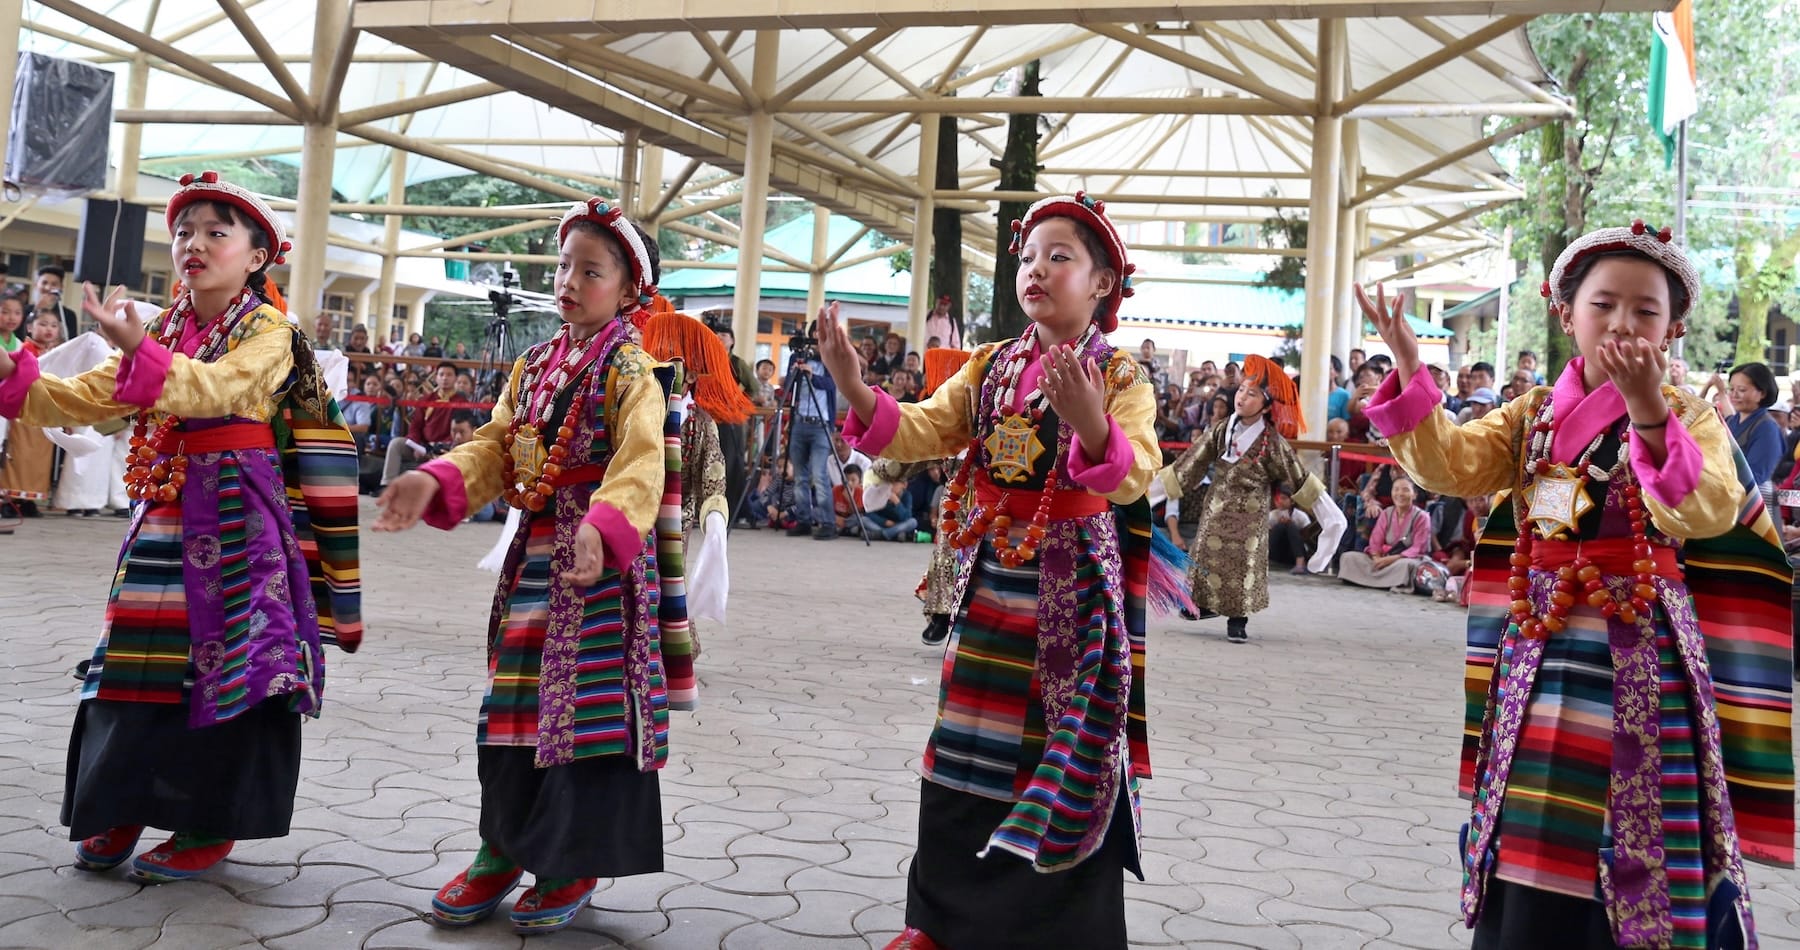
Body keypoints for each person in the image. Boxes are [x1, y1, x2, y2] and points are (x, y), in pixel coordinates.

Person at [1357, 220, 1794, 948]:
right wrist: (1410, 372)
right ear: (1566, 315)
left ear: (1674, 328)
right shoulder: (1532, 415)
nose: (1623, 323)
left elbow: (1707, 508)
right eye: (1604, 304)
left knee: (1642, 834)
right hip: (1544, 650)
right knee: (1532, 845)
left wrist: (1650, 410)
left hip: (1645, 653)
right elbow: (1452, 465)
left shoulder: (1690, 414)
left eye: (1645, 310)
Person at [820, 192, 1171, 949]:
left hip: (1071, 595)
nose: (1037, 270)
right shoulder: (993, 365)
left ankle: (1049, 934)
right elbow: (921, 428)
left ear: (1103, 283)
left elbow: (1135, 471)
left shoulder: (1119, 377)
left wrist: (1089, 421)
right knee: (962, 743)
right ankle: (938, 921)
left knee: (1058, 753)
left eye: (1060, 256)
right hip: (991, 585)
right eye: (1028, 256)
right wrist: (854, 386)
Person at [0, 171, 362, 883]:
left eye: (215, 232)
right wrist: (15, 371)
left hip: (236, 522)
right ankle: (124, 802)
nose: (193, 243)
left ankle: (210, 820)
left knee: (232, 664)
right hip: (163, 517)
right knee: (135, 659)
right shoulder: (163, 326)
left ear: (258, 256)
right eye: (184, 231)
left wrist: (143, 355)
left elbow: (219, 389)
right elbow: (84, 400)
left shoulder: (271, 332)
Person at [374, 196, 690, 936]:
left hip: (599, 570)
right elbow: (495, 445)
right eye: (563, 266)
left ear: (630, 291)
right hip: (538, 560)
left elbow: (642, 460)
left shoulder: (633, 369)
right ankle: (501, 848)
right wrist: (437, 478)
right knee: (511, 708)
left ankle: (569, 860)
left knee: (583, 717)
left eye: (592, 270)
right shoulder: (537, 364)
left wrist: (606, 527)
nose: (570, 282)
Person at [1174, 355, 1345, 642]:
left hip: (1249, 517)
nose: (1241, 397)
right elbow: (1192, 462)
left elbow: (1300, 478)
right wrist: (1151, 489)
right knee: (1205, 554)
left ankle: (1237, 620)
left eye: (1252, 394)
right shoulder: (1222, 428)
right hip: (1216, 507)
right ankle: (1204, 604)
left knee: (1243, 564)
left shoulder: (1272, 442)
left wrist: (1331, 517)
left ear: (1267, 404)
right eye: (1241, 390)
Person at [1335, 475, 1433, 591]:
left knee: (1407, 566)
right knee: (1348, 557)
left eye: (1405, 490)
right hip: (1383, 558)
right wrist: (1376, 558)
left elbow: (1418, 547)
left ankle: (1369, 579)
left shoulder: (1422, 517)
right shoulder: (1386, 513)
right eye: (1396, 489)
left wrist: (1391, 560)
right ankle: (1384, 581)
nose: (1400, 494)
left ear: (1414, 495)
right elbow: (1375, 541)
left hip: (1404, 559)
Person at [786, 345, 839, 540]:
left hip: (820, 426)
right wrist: (795, 375)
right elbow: (788, 388)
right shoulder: (796, 358)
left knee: (819, 475)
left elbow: (831, 384)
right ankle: (803, 520)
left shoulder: (829, 360)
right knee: (800, 477)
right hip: (800, 422)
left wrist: (812, 376)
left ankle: (828, 523)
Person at [711, 323, 759, 526]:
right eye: (717, 334)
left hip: (731, 420)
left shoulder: (737, 363)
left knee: (731, 464)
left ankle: (732, 510)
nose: (720, 338)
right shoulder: (707, 360)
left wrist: (737, 401)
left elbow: (753, 388)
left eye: (724, 335)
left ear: (732, 340)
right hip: (710, 418)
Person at [1725, 361, 1784, 503]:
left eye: (1742, 390)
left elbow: (1755, 477)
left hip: (1754, 504)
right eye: (1731, 389)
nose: (1734, 395)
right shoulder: (1732, 421)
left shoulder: (1767, 428)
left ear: (1762, 393)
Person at [35, 265, 80, 342]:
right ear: (36, 285)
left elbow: (71, 342)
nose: (48, 287)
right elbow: (22, 336)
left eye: (54, 284)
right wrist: (36, 311)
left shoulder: (68, 315)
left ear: (61, 287)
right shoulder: (25, 311)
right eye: (44, 283)